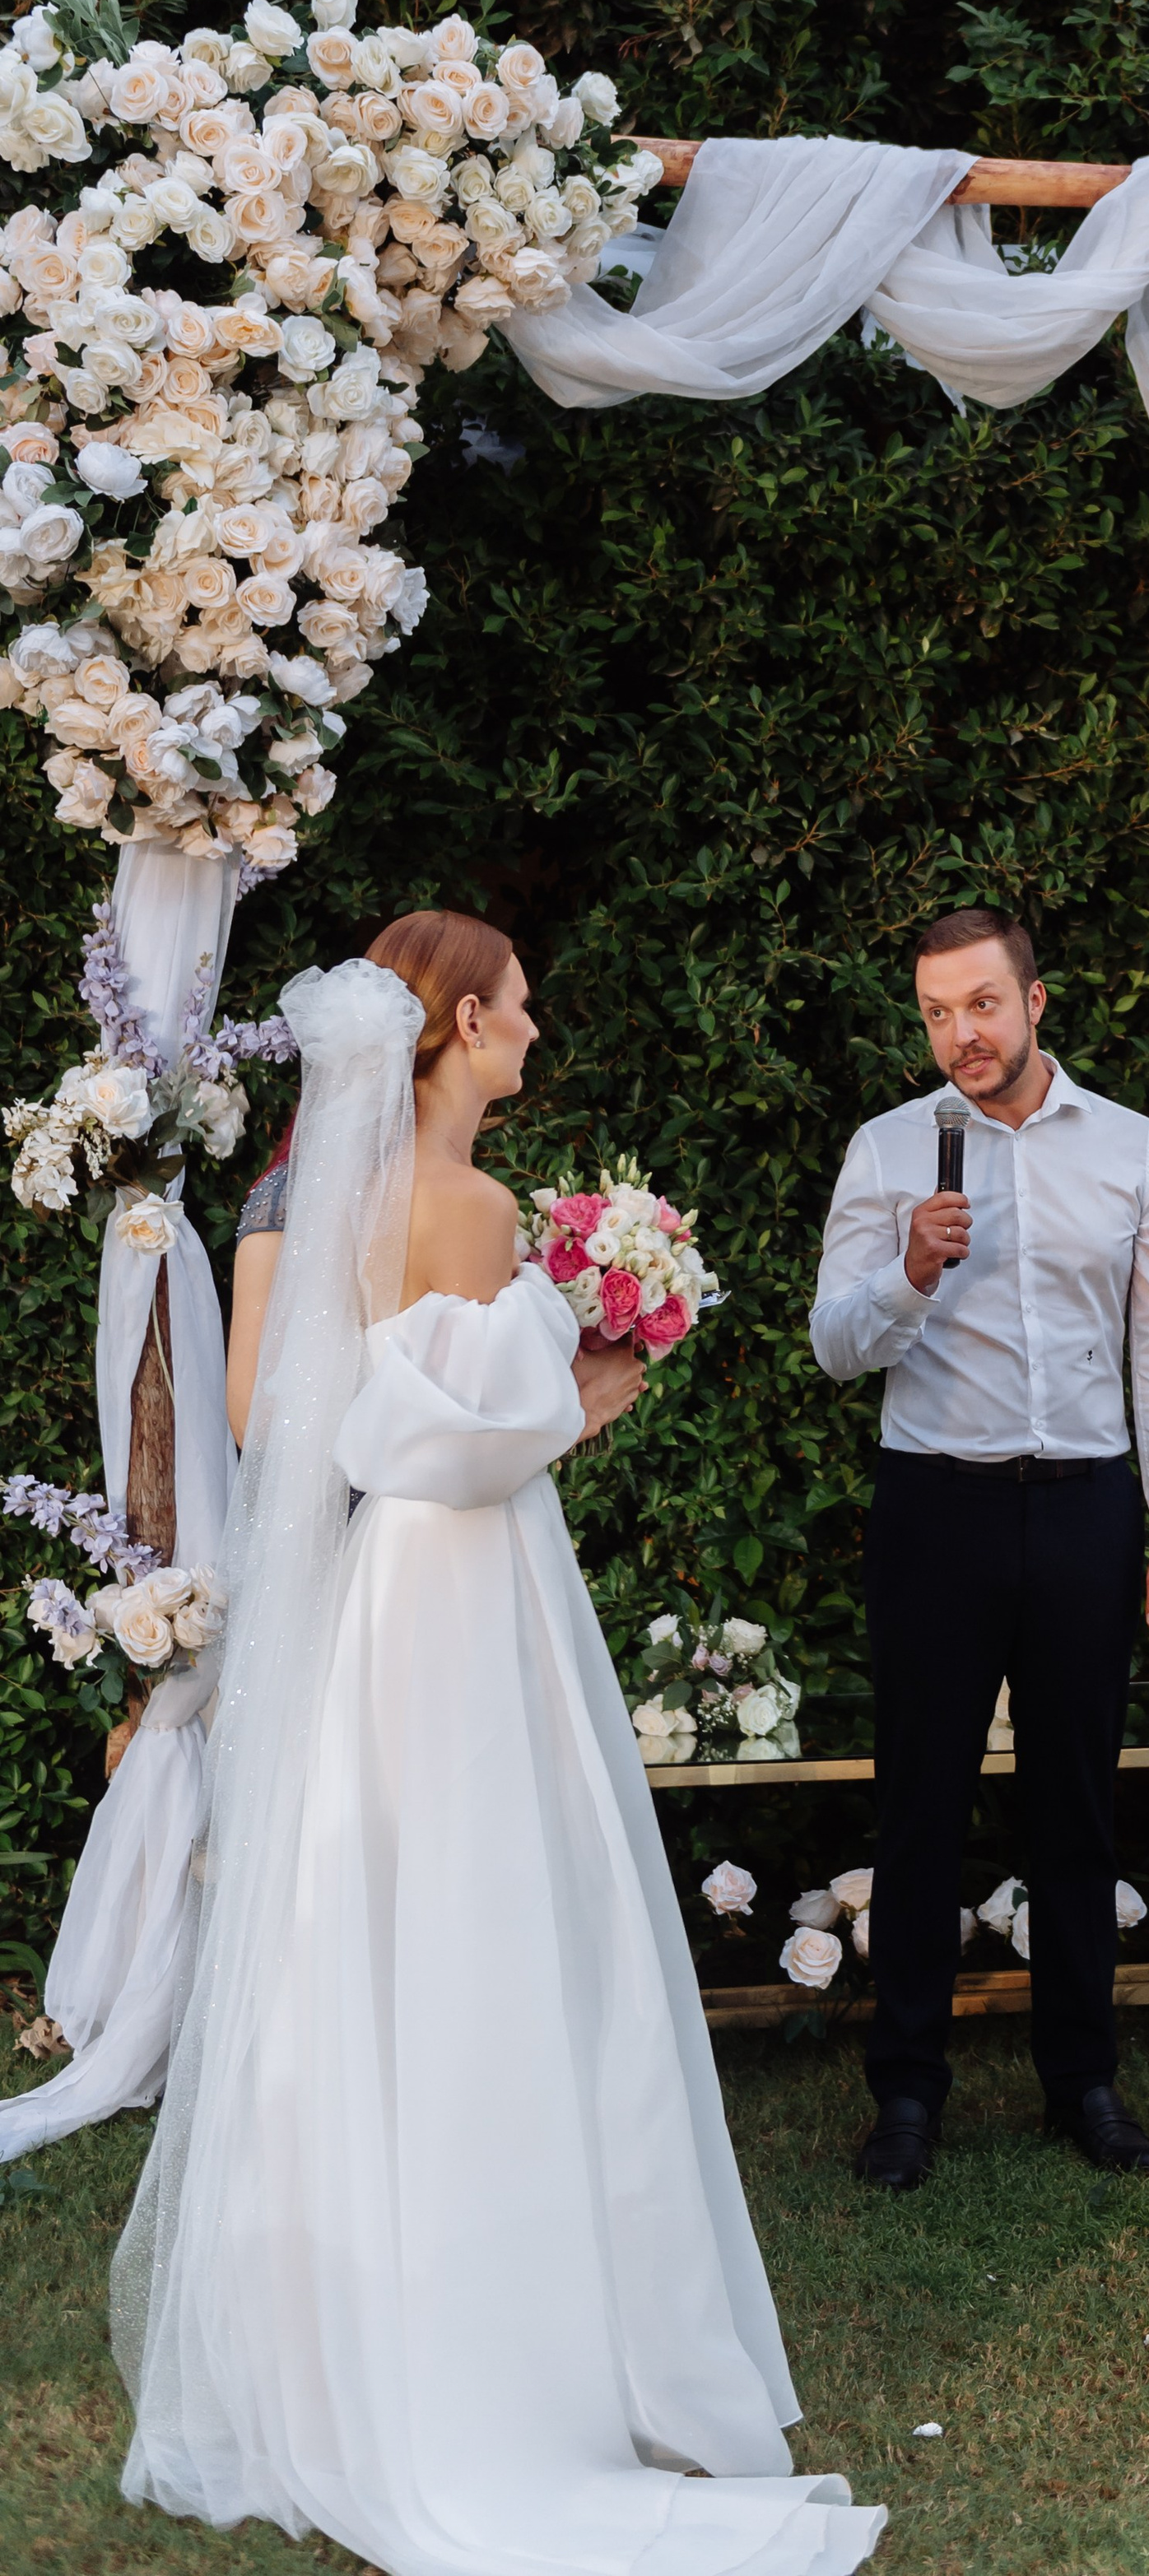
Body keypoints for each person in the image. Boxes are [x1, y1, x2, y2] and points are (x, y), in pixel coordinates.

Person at [115, 912, 885, 2576]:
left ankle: (342, 2325)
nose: (536, 1033)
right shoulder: (465, 1207)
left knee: (375, 1922)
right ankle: (536, 2335)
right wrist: (590, 1384)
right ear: (462, 1021)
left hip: (380, 1590)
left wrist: (507, 1395)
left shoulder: (304, 1202)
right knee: (517, 1921)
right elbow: (491, 1435)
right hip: (473, 1590)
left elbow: (269, 1416)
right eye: (521, 1008)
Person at [810, 906, 1149, 2191]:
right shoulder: (886, 1155)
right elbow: (834, 1344)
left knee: (1077, 1810)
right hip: (937, 1509)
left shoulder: (1131, 1148)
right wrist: (908, 1278)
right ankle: (908, 2095)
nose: (960, 1035)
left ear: (1039, 1001)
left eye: (981, 1004)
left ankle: (1083, 2081)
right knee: (922, 1806)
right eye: (935, 1012)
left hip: (1087, 1506)